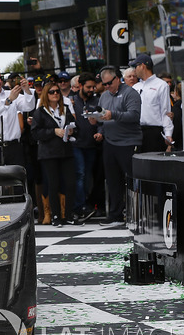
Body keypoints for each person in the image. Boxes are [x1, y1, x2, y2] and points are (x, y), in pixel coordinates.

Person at [91, 66, 141, 226]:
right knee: (112, 180)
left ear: (117, 79)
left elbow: (134, 115)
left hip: (128, 142)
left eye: (108, 83)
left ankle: (137, 212)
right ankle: (115, 213)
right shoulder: (104, 96)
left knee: (133, 179)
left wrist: (114, 114)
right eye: (104, 84)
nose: (106, 87)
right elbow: (102, 118)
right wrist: (95, 121)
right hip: (110, 142)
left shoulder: (130, 93)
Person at [30, 83, 78, 226]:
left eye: (57, 91)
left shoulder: (66, 109)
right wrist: (53, 131)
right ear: (46, 94)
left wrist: (71, 130)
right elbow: (35, 133)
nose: (55, 94)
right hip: (49, 153)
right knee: (53, 184)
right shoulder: (40, 112)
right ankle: (56, 216)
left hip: (66, 151)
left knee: (70, 183)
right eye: (52, 92)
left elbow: (75, 124)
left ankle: (68, 214)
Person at [0, 66, 35, 166]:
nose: (0, 81)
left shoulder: (11, 93)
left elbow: (29, 106)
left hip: (14, 146)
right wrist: (8, 100)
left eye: (1, 78)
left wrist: (27, 90)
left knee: (17, 179)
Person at [69, 72, 102, 220]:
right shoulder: (71, 101)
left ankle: (88, 204)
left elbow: (102, 121)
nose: (91, 90)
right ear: (80, 86)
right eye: (88, 87)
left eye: (93, 87)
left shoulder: (96, 101)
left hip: (91, 145)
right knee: (80, 174)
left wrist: (99, 130)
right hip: (76, 144)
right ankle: (79, 206)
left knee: (88, 176)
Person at [129, 54, 173, 152]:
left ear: (142, 66)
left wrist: (168, 134)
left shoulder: (161, 85)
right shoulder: (135, 87)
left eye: (135, 66)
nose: (134, 70)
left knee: (154, 164)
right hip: (136, 131)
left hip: (154, 132)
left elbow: (165, 112)